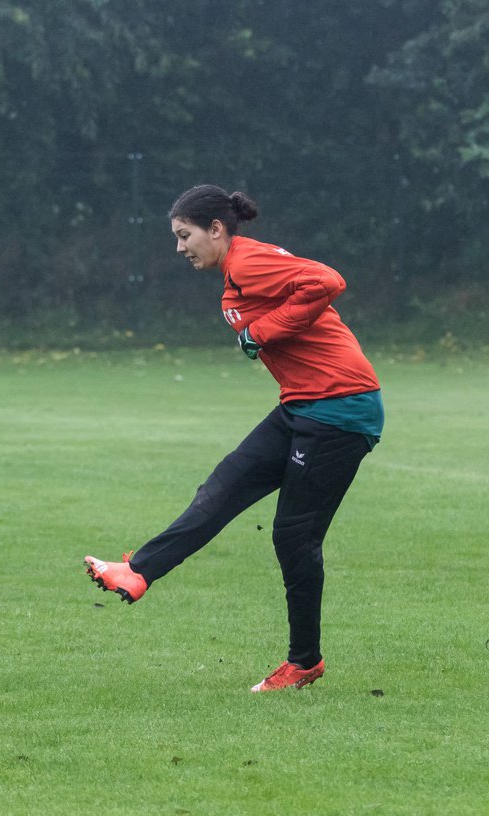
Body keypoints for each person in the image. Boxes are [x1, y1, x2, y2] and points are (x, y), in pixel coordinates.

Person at [83, 184, 383, 692]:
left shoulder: (248, 263)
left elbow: (329, 280)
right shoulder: (238, 272)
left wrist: (263, 331)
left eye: (185, 236)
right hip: (301, 405)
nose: (180, 248)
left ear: (216, 229)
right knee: (225, 485)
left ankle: (304, 662)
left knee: (295, 537)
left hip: (340, 409)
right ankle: (138, 570)